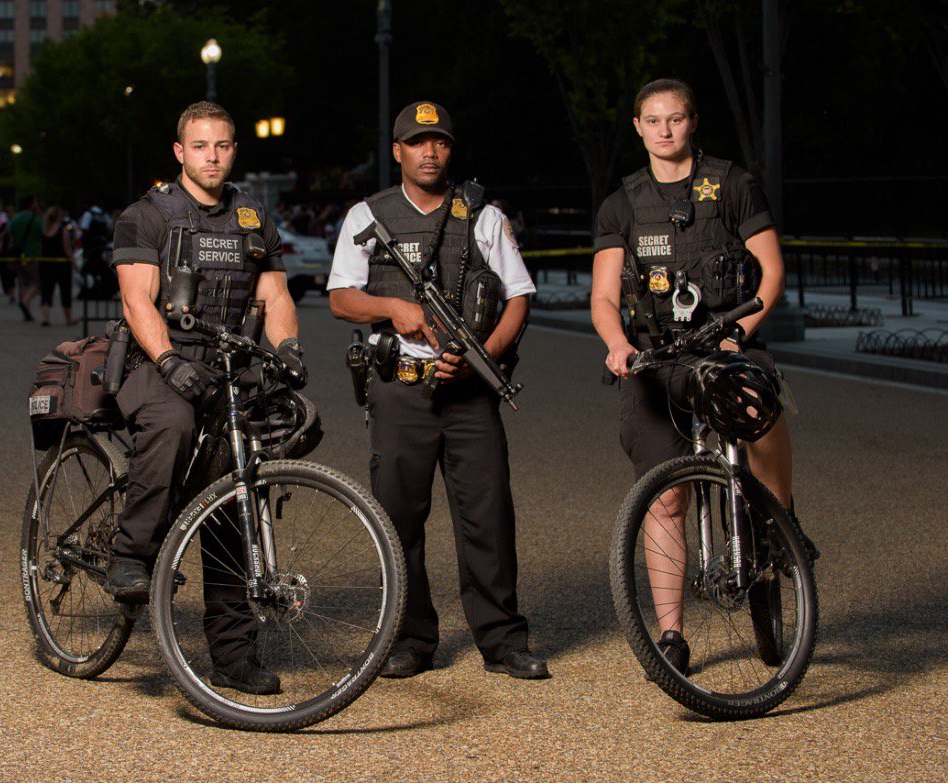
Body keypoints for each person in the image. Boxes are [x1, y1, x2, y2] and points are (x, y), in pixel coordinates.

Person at [590, 78, 817, 674]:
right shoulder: (621, 204)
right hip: (656, 361)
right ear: (638, 127)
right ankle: (671, 637)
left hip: (726, 344)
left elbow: (771, 274)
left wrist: (740, 331)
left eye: (676, 119)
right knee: (665, 499)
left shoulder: (733, 184)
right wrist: (617, 345)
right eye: (653, 121)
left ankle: (777, 521)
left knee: (761, 402)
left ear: (693, 122)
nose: (665, 130)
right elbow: (603, 296)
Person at [328, 101, 547, 681]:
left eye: (440, 142)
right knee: (399, 518)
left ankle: (501, 639)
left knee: (488, 517)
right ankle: (410, 639)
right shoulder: (365, 215)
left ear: (451, 149)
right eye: (417, 142)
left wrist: (483, 361)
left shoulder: (481, 214)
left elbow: (518, 296)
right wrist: (393, 307)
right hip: (399, 390)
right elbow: (341, 296)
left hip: (469, 393)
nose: (430, 151)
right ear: (397, 151)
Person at [104, 101, 305, 695]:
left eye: (222, 146)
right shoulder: (147, 215)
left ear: (234, 150)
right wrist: (167, 359)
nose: (211, 156)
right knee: (172, 422)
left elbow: (274, 295)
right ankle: (132, 552)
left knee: (238, 493)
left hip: (228, 366)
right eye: (199, 146)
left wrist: (288, 349)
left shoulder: (251, 218)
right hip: (155, 361)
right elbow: (137, 300)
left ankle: (234, 654)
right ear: (180, 151)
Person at [37, 206, 78, 326]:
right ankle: (68, 318)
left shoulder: (44, 230)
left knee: (46, 291)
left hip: (45, 264)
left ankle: (45, 317)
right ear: (59, 216)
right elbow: (67, 249)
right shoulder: (62, 230)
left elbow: (40, 247)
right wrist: (74, 263)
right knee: (65, 291)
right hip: (62, 265)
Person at [7, 196, 42, 321]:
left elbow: (11, 239)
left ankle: (27, 308)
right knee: (36, 283)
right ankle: (25, 301)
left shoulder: (15, 220)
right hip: (32, 255)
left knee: (24, 283)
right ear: (31, 204)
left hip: (18, 255)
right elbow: (42, 236)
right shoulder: (36, 220)